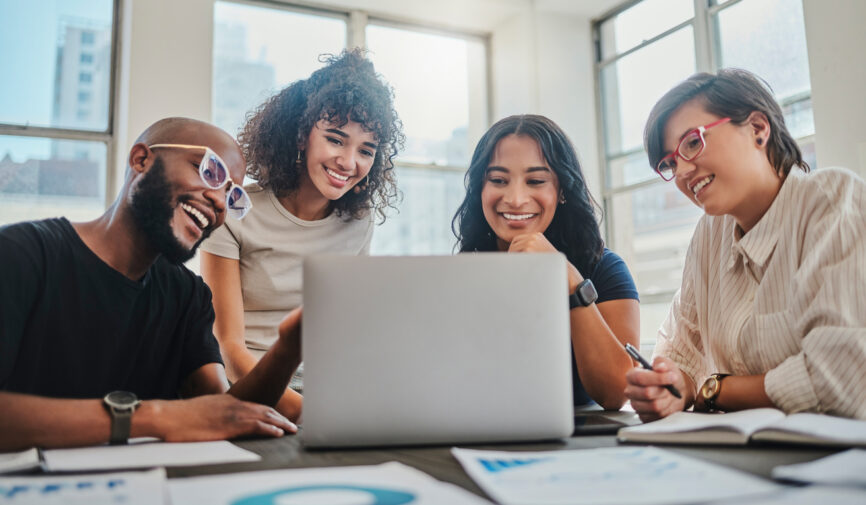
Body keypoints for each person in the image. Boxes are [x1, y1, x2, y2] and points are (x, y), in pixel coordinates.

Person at [0, 117, 301, 451]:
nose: (219, 202)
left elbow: (221, 412)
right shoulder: (20, 256)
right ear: (141, 160)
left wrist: (289, 348)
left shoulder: (189, 296)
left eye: (232, 196)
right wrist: (155, 417)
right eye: (209, 172)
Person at [624, 68, 866, 422]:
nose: (681, 172)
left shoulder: (831, 201)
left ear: (757, 128)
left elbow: (840, 379)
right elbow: (678, 355)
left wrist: (715, 389)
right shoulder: (709, 233)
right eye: (670, 163)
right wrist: (671, 388)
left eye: (692, 142)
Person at [200, 49, 402, 422]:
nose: (349, 162)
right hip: (250, 388)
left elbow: (347, 333)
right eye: (336, 139)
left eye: (366, 150)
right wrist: (310, 413)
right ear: (300, 135)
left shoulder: (359, 221)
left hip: (328, 387)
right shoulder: (235, 210)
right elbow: (227, 347)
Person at [452, 114, 640, 409]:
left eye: (536, 180)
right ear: (480, 190)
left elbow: (618, 391)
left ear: (562, 190)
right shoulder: (457, 276)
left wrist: (568, 280)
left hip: (579, 441)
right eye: (499, 180)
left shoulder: (604, 268)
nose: (515, 199)